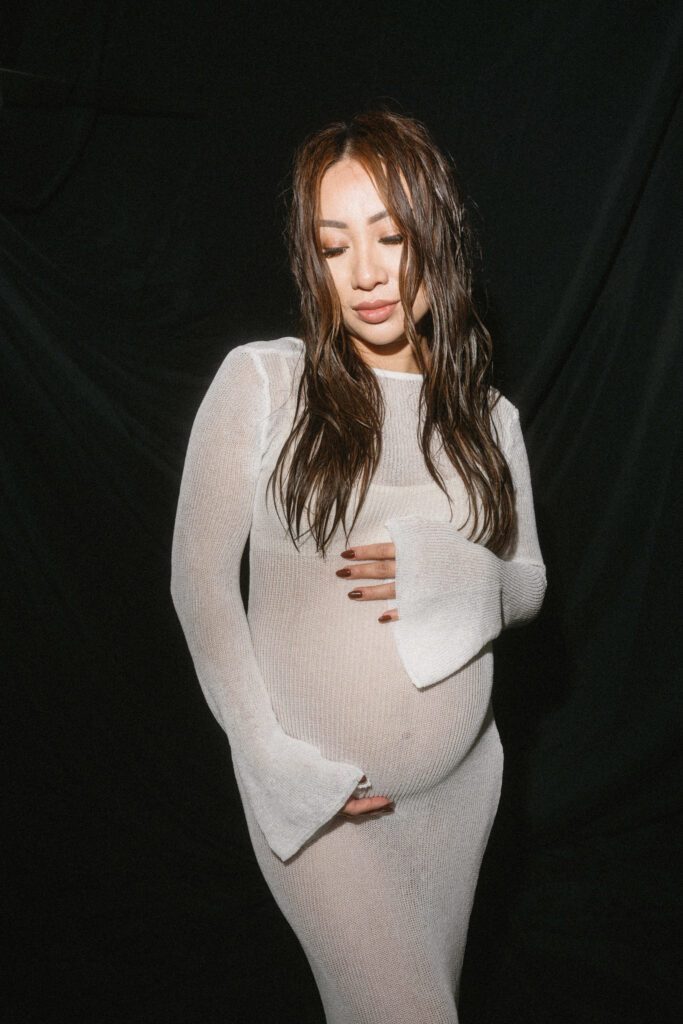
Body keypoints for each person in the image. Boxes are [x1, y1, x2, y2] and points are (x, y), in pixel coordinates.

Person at [171, 109, 546, 1024]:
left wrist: (468, 576)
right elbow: (199, 584)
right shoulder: (264, 382)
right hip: (322, 804)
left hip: (458, 793)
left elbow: (528, 580)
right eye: (334, 246)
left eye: (390, 236)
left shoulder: (490, 418)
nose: (367, 274)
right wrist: (271, 764)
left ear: (434, 239)